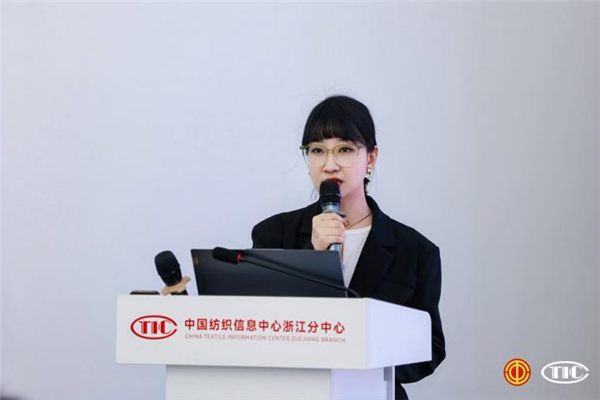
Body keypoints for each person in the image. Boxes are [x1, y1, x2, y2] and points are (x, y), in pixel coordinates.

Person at [251, 95, 445, 399]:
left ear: (371, 158)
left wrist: (361, 356)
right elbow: (258, 329)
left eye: (344, 149)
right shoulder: (272, 235)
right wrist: (312, 256)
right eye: (317, 150)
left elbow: (430, 349)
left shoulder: (416, 251)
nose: (329, 165)